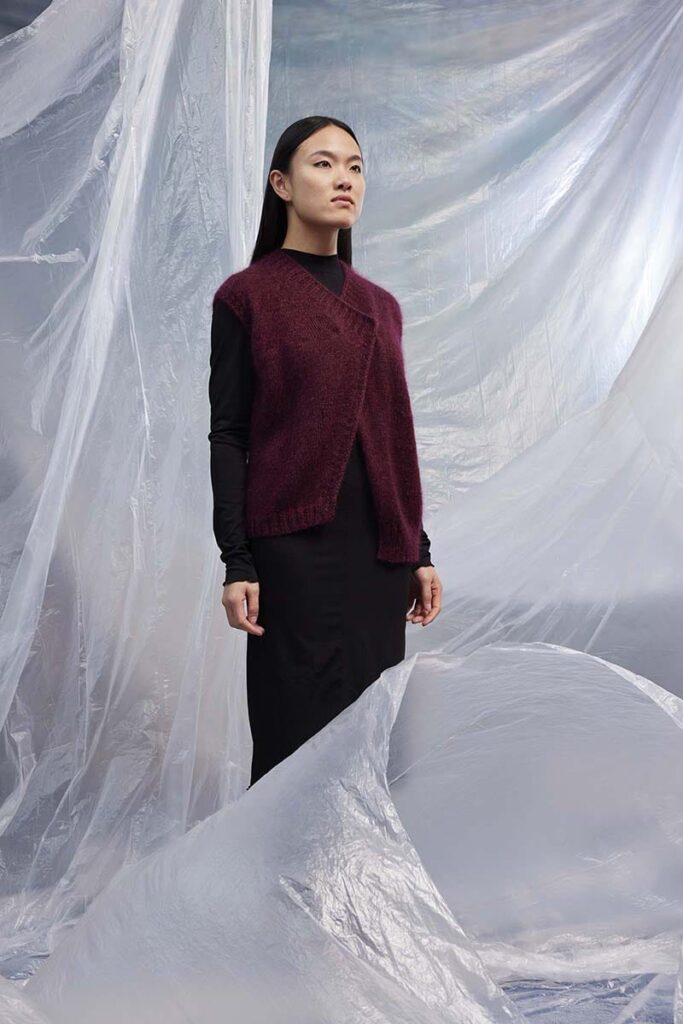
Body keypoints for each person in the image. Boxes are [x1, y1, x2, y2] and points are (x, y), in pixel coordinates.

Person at [208, 115, 442, 787]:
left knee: (371, 743)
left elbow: (393, 435)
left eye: (355, 166)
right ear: (280, 184)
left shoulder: (382, 306)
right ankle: (279, 858)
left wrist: (418, 550)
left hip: (379, 555)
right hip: (292, 552)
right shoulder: (247, 296)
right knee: (293, 740)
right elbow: (230, 433)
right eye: (323, 163)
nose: (344, 178)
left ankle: (358, 857)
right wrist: (236, 559)